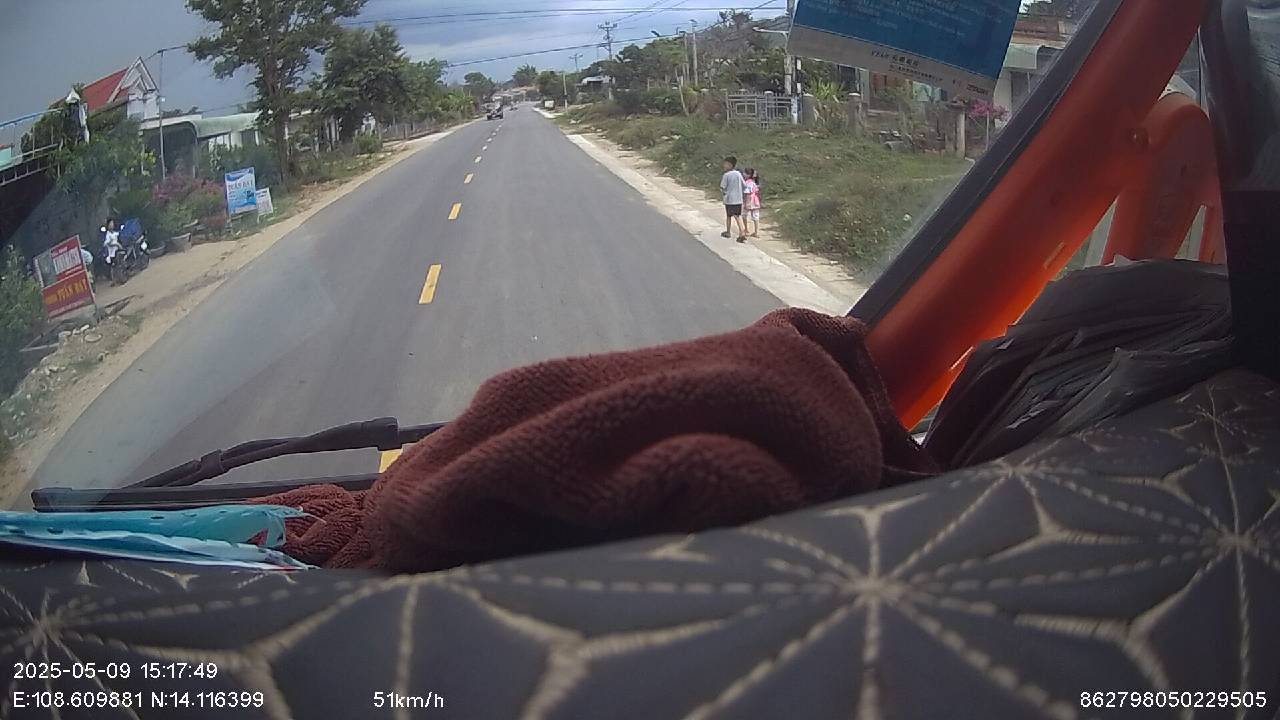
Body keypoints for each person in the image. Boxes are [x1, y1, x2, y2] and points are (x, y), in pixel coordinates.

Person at [719, 156, 747, 242]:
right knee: (737, 215)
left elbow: (722, 187)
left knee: (730, 216)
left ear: (730, 165)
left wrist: (724, 193)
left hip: (730, 200)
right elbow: (744, 185)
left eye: (725, 164)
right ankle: (740, 232)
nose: (724, 165)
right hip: (738, 199)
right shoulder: (738, 174)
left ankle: (734, 232)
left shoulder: (726, 175)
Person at [743, 168, 762, 238]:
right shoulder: (755, 183)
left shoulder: (747, 183)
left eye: (745, 173)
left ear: (748, 175)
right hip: (755, 201)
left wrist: (745, 201)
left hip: (749, 200)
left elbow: (747, 193)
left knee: (744, 215)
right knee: (756, 216)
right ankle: (756, 232)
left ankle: (746, 229)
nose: (743, 174)